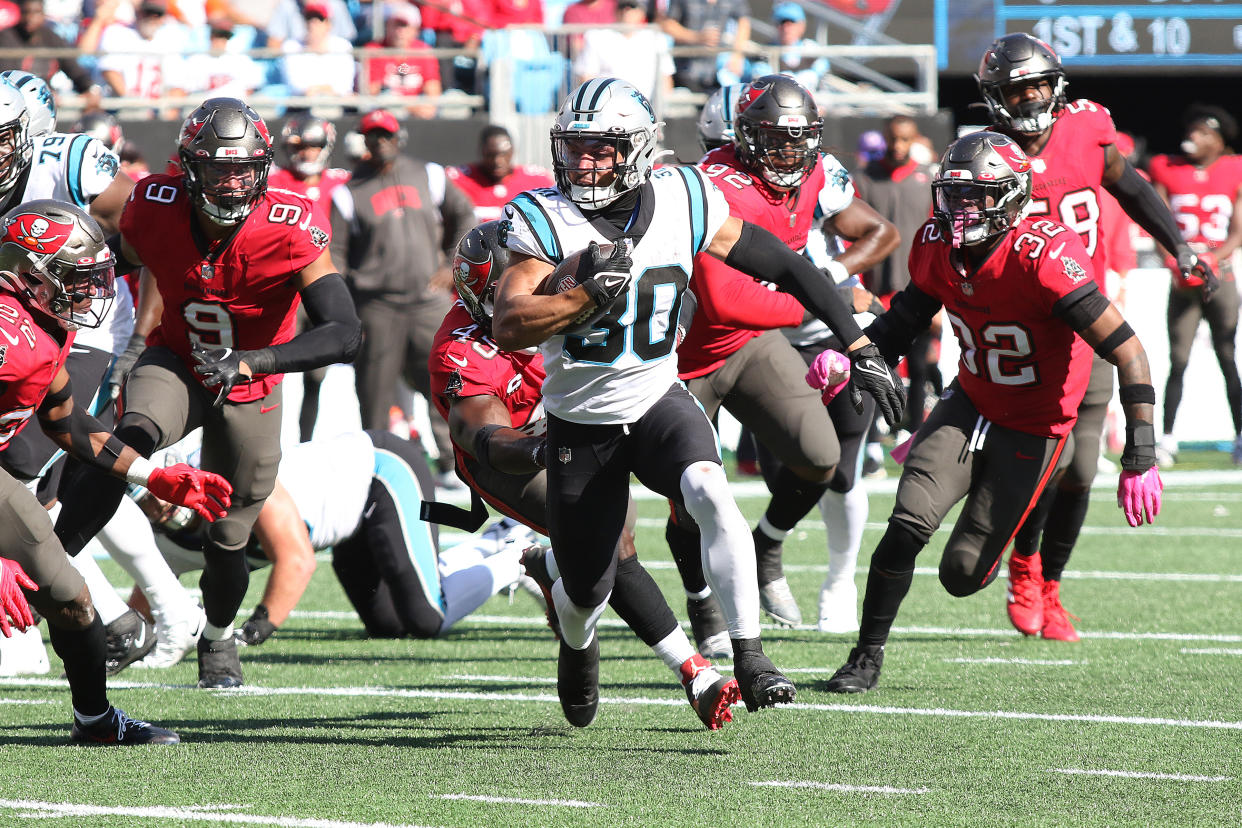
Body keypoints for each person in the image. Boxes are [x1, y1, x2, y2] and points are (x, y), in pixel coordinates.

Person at [491, 78, 904, 725]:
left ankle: (749, 655)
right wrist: (577, 300)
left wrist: (859, 344)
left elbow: (790, 267)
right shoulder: (543, 216)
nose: (584, 163)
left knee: (711, 488)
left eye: (602, 149)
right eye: (575, 148)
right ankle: (575, 637)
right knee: (588, 590)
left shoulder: (684, 196)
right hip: (584, 419)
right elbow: (509, 322)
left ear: (637, 149)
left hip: (658, 394)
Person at [825, 131, 1164, 693]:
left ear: (1010, 196)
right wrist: (852, 356)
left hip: (1037, 423)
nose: (963, 210)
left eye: (978, 196)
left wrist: (1140, 451)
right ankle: (865, 655)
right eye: (954, 196)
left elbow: (1128, 351)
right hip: (971, 401)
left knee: (961, 576)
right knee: (906, 524)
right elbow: (904, 318)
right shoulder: (936, 243)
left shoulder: (1045, 257)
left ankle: (1015, 528)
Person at [52, 97, 363, 690]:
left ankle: (217, 636)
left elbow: (344, 332)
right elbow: (108, 260)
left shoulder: (291, 226)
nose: (234, 180)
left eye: (245, 167)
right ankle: (55, 560)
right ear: (187, 168)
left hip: (254, 382)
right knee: (129, 440)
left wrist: (253, 361)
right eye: (219, 167)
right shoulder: (152, 205)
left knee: (228, 537)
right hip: (180, 361)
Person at [429, 221, 741, 730]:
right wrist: (541, 448)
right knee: (613, 540)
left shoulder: (579, 294)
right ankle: (694, 670)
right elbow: (481, 438)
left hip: (576, 428)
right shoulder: (465, 349)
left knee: (612, 540)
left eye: (542, 280)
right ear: (487, 295)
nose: (540, 293)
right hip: (515, 457)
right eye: (518, 288)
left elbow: (676, 295)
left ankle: (554, 570)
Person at [976, 33, 1216, 642]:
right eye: (1016, 88)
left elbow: (1131, 187)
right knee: (1047, 471)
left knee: (1082, 469)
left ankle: (1047, 582)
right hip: (1024, 326)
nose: (1030, 97)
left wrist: (1178, 244)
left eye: (1037, 84)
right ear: (995, 98)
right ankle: (1022, 562)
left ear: (1055, 85)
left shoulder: (1086, 128)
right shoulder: (986, 154)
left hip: (1085, 316)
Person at [669, 74, 899, 637]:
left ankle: (766, 545)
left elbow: (834, 254)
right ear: (744, 138)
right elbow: (724, 300)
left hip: (752, 343)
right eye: (775, 139)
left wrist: (853, 333)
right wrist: (823, 306)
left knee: (821, 455)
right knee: (689, 494)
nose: (789, 153)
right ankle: (701, 599)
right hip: (686, 355)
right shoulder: (713, 184)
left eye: (800, 139)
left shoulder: (817, 172)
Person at [0, 198, 232, 743]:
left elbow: (67, 423)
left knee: (69, 596)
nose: (91, 291)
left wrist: (150, 476)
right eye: (77, 278)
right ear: (31, 273)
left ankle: (95, 720)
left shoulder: (41, 325)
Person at [124, 429, 535, 645]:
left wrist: (253, 630)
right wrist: (130, 636)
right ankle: (494, 539)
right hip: (344, 523)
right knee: (390, 625)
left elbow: (297, 560)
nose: (158, 509)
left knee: (427, 617)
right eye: (146, 503)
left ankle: (518, 557)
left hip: (379, 474)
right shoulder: (164, 535)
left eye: (160, 496)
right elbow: (152, 590)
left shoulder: (235, 488)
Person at [329, 108, 476, 486]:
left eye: (386, 135)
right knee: (375, 394)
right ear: (364, 141)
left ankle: (451, 463)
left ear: (399, 137)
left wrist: (452, 264)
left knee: (448, 382)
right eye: (372, 136)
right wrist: (350, 297)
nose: (380, 142)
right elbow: (338, 255)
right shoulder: (348, 192)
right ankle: (377, 468)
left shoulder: (428, 174)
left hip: (429, 302)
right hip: (378, 306)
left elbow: (464, 214)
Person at [1147, 105, 1242, 465]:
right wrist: (1173, 259)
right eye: (1192, 130)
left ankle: (1240, 436)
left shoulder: (1234, 168)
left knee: (1228, 355)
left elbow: (1238, 230)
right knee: (1179, 358)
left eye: (1203, 133)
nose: (1193, 138)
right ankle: (1167, 439)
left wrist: (1212, 260)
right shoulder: (1165, 167)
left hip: (1220, 277)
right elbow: (1154, 217)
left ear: (1219, 141)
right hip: (1183, 278)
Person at [853, 114, 939, 432]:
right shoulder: (863, 179)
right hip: (875, 292)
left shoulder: (928, 181)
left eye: (905, 139)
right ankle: (873, 437)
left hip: (919, 293)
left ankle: (914, 432)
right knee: (874, 363)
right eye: (893, 138)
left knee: (918, 368)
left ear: (914, 139)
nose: (898, 145)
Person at [269, 113, 351, 442]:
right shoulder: (274, 182)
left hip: (327, 286)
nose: (306, 153)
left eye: (314, 145)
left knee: (316, 374)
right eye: (299, 146)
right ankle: (271, 441)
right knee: (272, 367)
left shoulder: (343, 183)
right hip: (282, 288)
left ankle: (306, 441)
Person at [0, 0, 100, 107]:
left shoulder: (50, 37)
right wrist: (44, 92)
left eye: (36, 12)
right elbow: (8, 77)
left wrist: (89, 89)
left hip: (43, 102)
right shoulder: (7, 38)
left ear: (43, 14)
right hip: (14, 102)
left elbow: (73, 68)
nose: (30, 18)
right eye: (26, 12)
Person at [446, 125, 553, 224]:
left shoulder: (537, 179)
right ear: (481, 152)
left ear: (513, 151)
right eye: (491, 155)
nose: (498, 161)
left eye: (504, 154)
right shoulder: (458, 179)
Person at [573, 0, 674, 103]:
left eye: (632, 6)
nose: (626, 10)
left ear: (642, 12)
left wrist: (663, 107)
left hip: (644, 106)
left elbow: (665, 79)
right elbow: (586, 78)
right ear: (615, 11)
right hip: (605, 105)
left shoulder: (656, 38)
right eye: (622, 6)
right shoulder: (595, 36)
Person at [362, 4, 442, 120]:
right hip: (384, 113)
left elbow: (433, 90)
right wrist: (410, 107)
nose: (399, 31)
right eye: (395, 25)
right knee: (389, 102)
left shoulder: (424, 51)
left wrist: (426, 107)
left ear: (416, 30)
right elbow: (372, 91)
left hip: (417, 111)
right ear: (387, 26)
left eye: (404, 26)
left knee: (454, 100)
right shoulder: (374, 50)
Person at [659, 0, 751, 93]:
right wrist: (696, 37)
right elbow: (668, 24)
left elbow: (744, 21)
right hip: (685, 71)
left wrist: (737, 55)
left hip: (717, 72)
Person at [746, 3, 830, 93]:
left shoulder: (812, 50)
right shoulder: (764, 54)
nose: (786, 29)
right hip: (776, 104)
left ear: (802, 26)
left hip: (810, 103)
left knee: (808, 76)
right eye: (781, 23)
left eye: (791, 23)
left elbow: (823, 85)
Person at [279, 2, 357, 99]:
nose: (313, 24)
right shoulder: (291, 46)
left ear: (328, 24)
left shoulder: (343, 46)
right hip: (303, 106)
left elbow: (345, 86)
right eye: (309, 19)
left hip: (337, 104)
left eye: (319, 19)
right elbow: (295, 86)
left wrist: (323, 90)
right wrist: (319, 90)